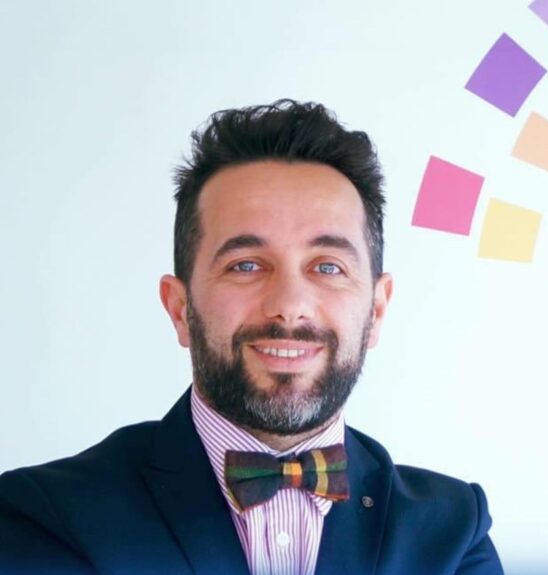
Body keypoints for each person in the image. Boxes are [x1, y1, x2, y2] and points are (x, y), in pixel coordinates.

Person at [0, 100, 502, 575]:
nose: (289, 303)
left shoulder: (455, 532)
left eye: (328, 266)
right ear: (179, 308)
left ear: (376, 309)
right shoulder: (49, 515)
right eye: (245, 265)